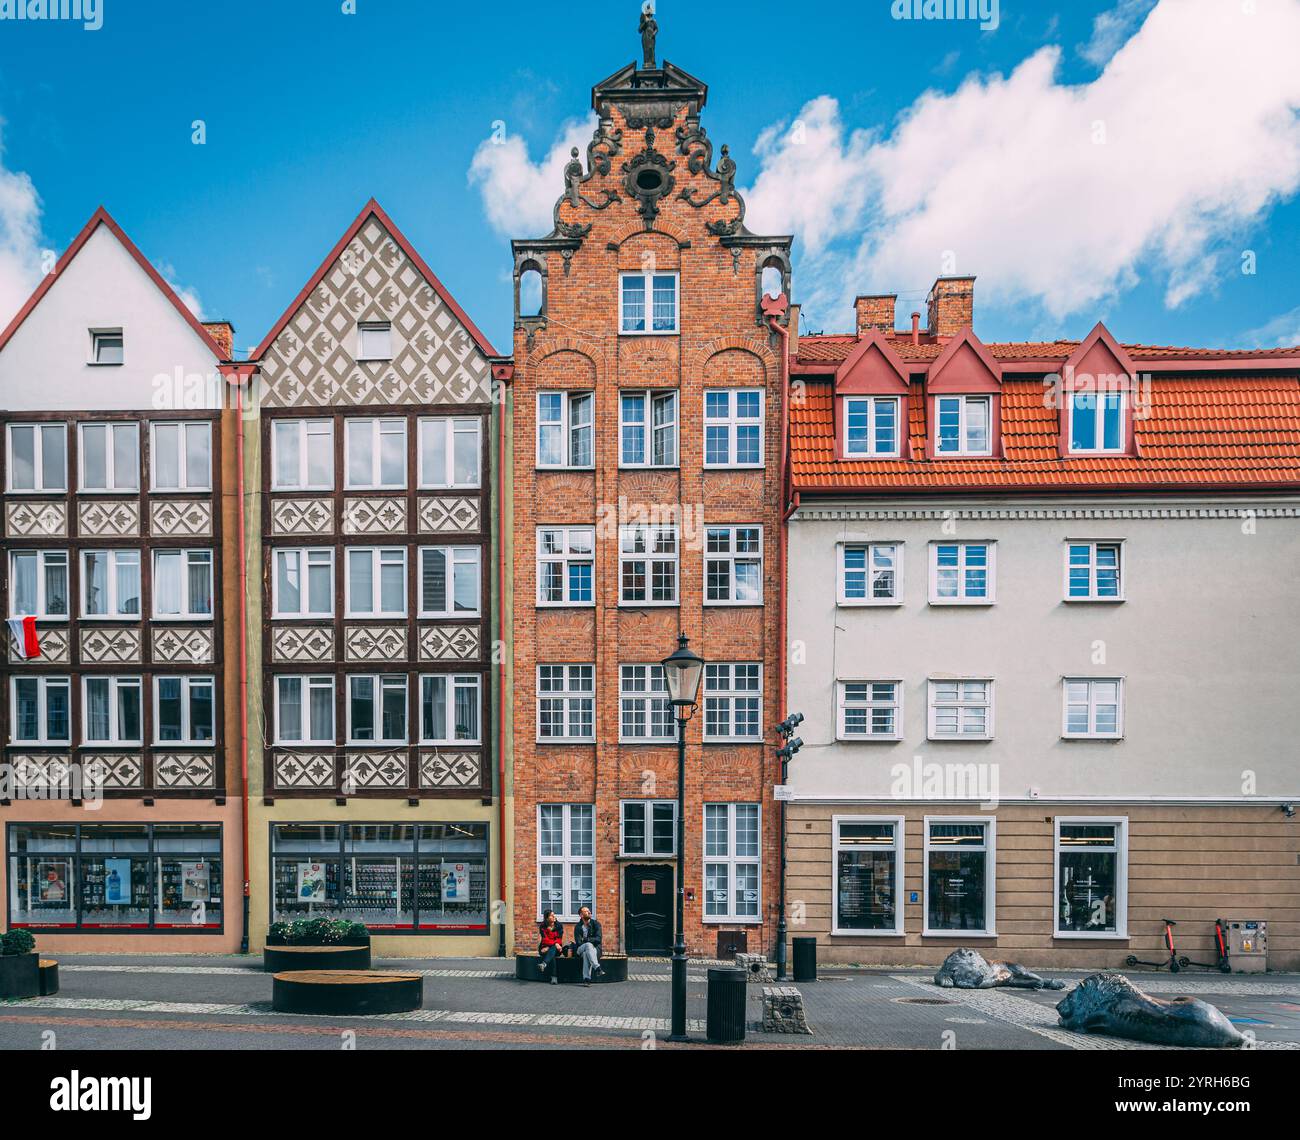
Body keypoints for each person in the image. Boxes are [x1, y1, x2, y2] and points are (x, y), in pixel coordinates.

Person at [568, 905, 605, 986]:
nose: (589, 912)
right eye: (586, 911)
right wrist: (589, 941)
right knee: (587, 946)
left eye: (589, 911)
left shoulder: (596, 924)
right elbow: (578, 942)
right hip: (580, 949)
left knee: (586, 953)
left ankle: (586, 979)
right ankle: (597, 967)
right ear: (581, 915)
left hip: (595, 949)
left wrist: (586, 939)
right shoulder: (578, 927)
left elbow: (598, 939)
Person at [537, 910, 564, 984]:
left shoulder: (559, 925)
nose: (554, 916)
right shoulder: (543, 926)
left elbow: (559, 939)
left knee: (553, 950)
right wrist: (555, 944)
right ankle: (554, 977)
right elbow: (545, 940)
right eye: (551, 915)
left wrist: (555, 944)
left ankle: (544, 964)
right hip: (544, 947)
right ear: (547, 918)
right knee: (553, 956)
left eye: (554, 915)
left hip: (556, 948)